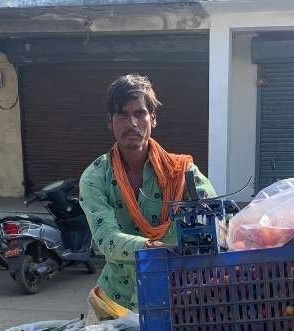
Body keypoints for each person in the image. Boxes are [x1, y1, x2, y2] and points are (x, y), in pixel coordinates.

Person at [80, 73, 214, 313]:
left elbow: (216, 221)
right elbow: (106, 239)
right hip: (114, 303)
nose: (132, 123)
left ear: (152, 119)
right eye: (122, 114)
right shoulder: (95, 177)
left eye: (139, 113)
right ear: (110, 121)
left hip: (178, 300)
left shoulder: (182, 172)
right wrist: (156, 249)